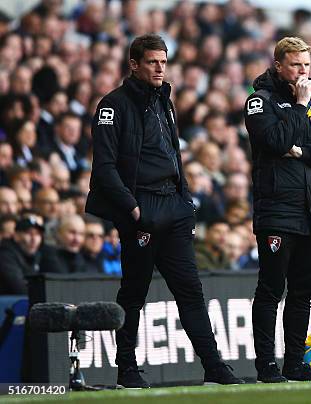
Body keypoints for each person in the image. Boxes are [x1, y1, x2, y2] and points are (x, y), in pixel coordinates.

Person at [85, 34, 243, 388]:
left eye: (163, 62)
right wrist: (132, 207)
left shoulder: (165, 101)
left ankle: (214, 365)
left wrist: (184, 198)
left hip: (174, 204)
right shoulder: (112, 105)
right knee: (134, 292)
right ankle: (126, 368)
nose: (160, 68)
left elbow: (173, 153)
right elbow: (105, 167)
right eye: (153, 62)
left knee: (190, 289)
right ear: (134, 64)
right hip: (141, 206)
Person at [244, 36, 311, 382]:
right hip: (277, 211)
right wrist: (301, 108)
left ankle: (295, 363)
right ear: (278, 65)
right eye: (295, 64)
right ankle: (266, 365)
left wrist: (302, 152)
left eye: (306, 64)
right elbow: (273, 142)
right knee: (271, 290)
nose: (303, 71)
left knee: (303, 293)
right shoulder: (260, 101)